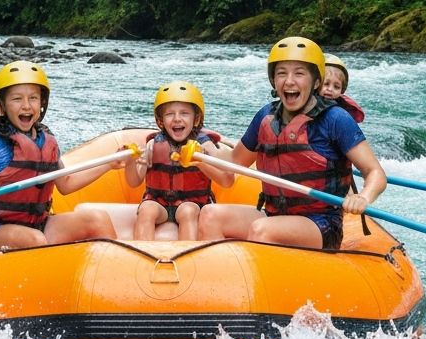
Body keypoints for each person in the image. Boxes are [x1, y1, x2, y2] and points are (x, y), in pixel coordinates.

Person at [197, 37, 386, 250]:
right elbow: (233, 163)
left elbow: (375, 172)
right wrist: (202, 154)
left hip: (321, 224)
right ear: (273, 80)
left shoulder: (336, 119)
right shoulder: (265, 117)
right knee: (209, 214)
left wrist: (363, 197)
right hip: (274, 214)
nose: (289, 81)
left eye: (299, 73)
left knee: (262, 229)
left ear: (315, 82)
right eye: (281, 73)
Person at [0, 61, 119, 250]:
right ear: (1, 106)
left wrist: (109, 165)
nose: (26, 106)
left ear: (42, 103)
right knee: (35, 241)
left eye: (33, 98)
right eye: (17, 99)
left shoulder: (47, 140)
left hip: (38, 224)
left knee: (97, 219)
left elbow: (66, 184)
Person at [124, 80, 234, 240]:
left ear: (196, 119)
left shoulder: (205, 145)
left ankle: (188, 258)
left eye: (184, 113)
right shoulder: (153, 144)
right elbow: (134, 181)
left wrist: (201, 162)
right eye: (169, 114)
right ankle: (142, 255)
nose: (177, 119)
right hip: (159, 203)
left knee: (187, 210)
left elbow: (226, 181)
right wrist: (129, 163)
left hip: (193, 203)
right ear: (160, 121)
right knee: (147, 209)